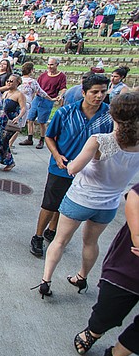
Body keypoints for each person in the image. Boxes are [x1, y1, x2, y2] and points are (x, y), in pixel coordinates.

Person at [34, 92, 139, 299]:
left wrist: (71, 163)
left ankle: (46, 281)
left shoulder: (100, 140)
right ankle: (82, 277)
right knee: (91, 242)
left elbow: (73, 168)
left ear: (114, 115)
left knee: (60, 241)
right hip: (108, 204)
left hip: (81, 198)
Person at [28, 74, 114, 259]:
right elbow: (50, 137)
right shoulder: (65, 113)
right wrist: (57, 156)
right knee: (50, 204)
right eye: (94, 92)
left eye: (103, 92)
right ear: (83, 92)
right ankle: (38, 235)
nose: (99, 96)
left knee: (66, 206)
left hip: (89, 172)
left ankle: (53, 230)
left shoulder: (108, 116)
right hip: (61, 167)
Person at [72, 183, 139, 356]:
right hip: (131, 266)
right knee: (109, 309)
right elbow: (134, 195)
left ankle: (118, 354)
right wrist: (137, 236)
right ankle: (94, 331)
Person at [20, 57, 67, 149]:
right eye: (48, 64)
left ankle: (42, 139)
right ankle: (30, 138)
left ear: (57, 65)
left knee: (42, 121)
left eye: (51, 64)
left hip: (48, 100)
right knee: (30, 119)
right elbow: (37, 87)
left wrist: (60, 95)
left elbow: (63, 88)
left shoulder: (61, 76)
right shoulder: (43, 75)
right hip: (38, 98)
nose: (49, 66)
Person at [0, 74, 27, 171]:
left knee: (4, 141)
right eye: (8, 81)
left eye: (11, 81)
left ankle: (10, 161)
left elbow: (23, 108)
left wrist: (18, 117)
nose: (9, 83)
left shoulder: (19, 94)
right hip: (0, 120)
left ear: (17, 83)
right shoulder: (5, 92)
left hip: (10, 121)